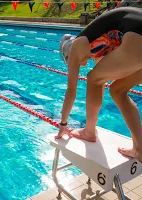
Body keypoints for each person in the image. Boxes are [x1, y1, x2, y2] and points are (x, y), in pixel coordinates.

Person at [56, 7, 142, 162]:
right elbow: (101, 83)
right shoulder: (99, 44)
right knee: (117, 90)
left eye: (69, 62)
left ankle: (89, 132)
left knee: (92, 78)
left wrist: (63, 123)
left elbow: (71, 90)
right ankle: (139, 148)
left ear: (67, 55)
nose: (79, 65)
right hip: (135, 35)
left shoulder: (77, 45)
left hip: (137, 36)